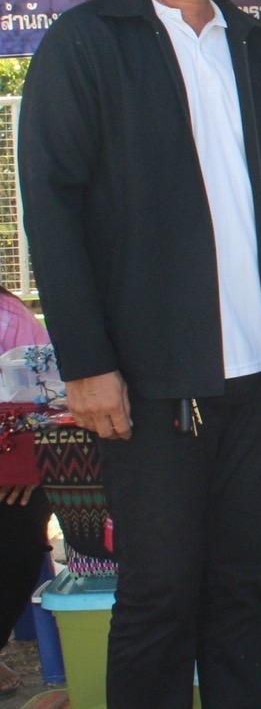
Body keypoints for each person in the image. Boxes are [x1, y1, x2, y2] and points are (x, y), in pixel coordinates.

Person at [18, 0, 261, 707]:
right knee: (161, 594)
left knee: (246, 585)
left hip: (259, 373)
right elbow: (49, 209)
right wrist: (86, 363)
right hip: (149, 381)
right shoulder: (87, 45)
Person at [0, 288, 51, 697]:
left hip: (7, 462)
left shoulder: (11, 320)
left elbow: (48, 399)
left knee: (18, 529)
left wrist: (22, 460)